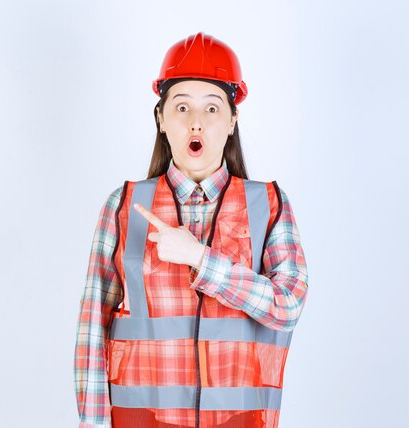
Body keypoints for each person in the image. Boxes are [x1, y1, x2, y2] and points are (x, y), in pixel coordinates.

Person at [74, 31, 309, 428]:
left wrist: (200, 258)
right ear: (162, 120)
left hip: (237, 420)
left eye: (212, 108)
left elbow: (288, 306)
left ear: (233, 121)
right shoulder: (123, 205)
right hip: (140, 419)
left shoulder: (268, 205)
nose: (196, 122)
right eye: (181, 108)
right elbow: (91, 328)